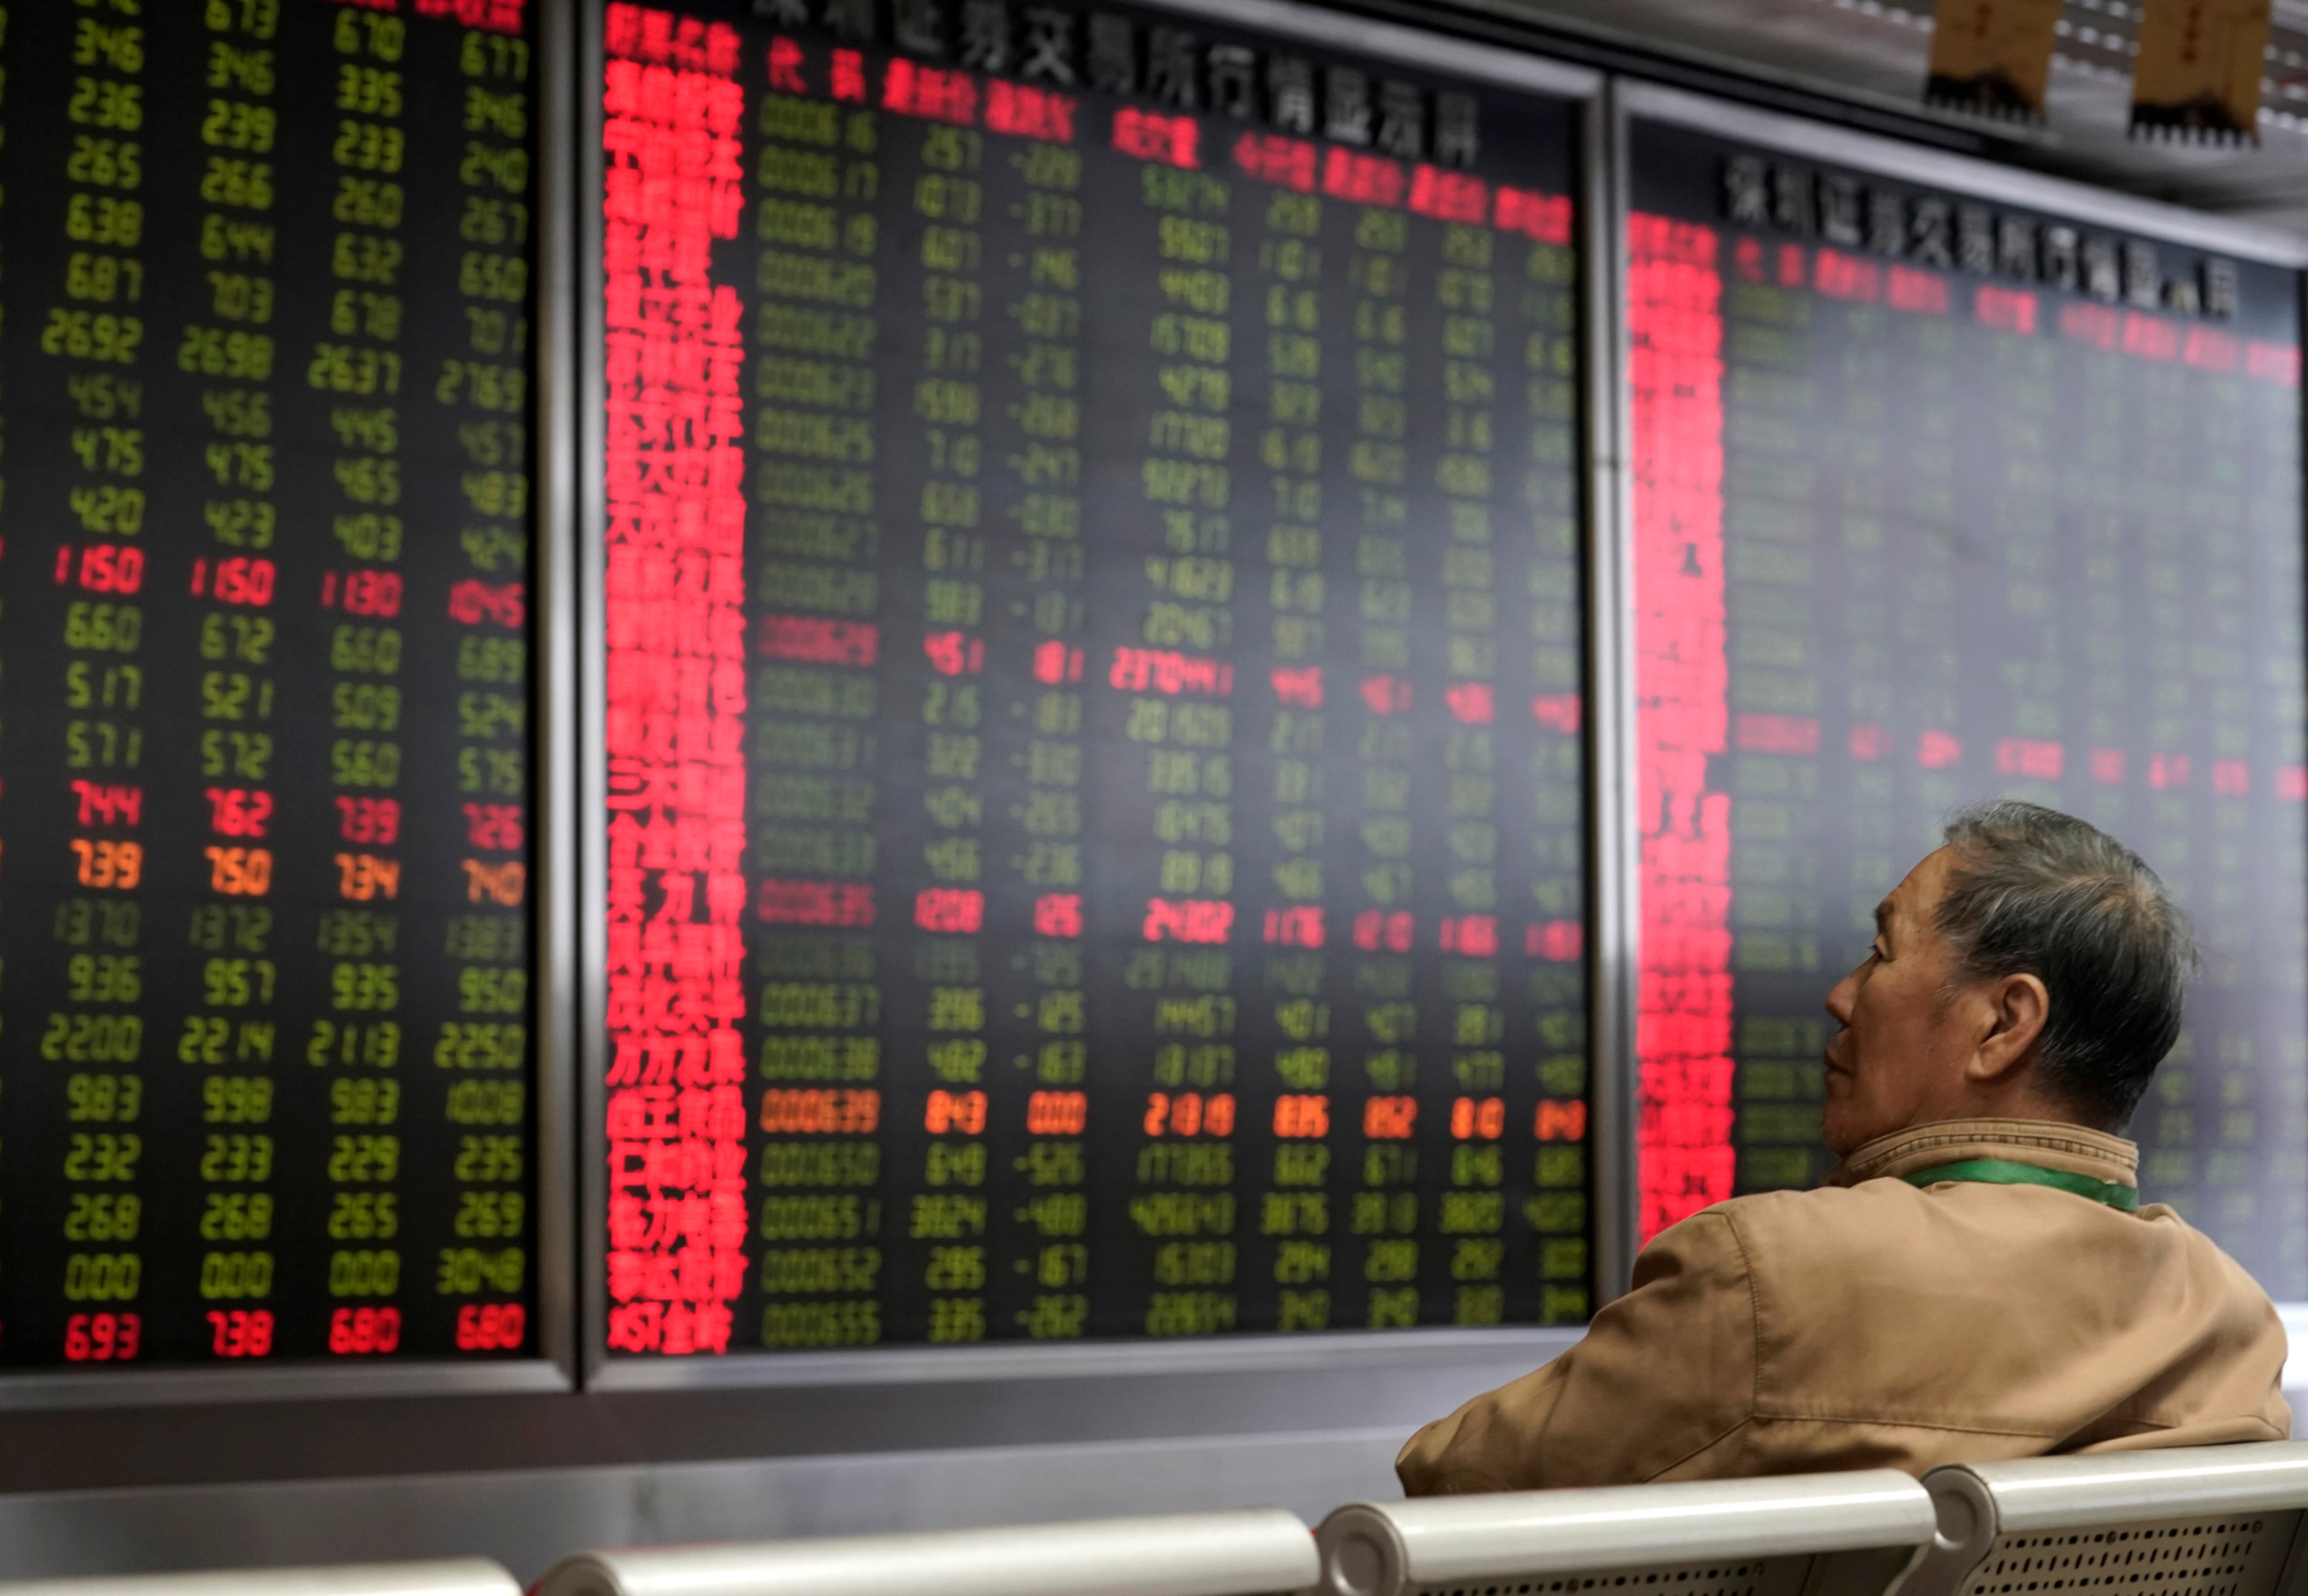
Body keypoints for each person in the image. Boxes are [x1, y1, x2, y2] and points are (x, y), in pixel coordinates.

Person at [1397, 800, 2289, 1493]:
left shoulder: (1771, 1280)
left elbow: (1453, 1493)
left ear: (2003, 1023)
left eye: (1878, 953)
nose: (1840, 993)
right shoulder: (2230, 1322)